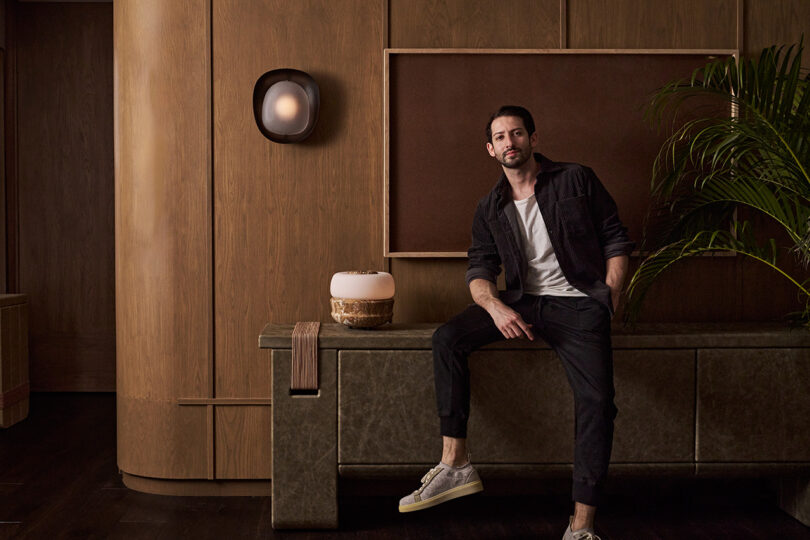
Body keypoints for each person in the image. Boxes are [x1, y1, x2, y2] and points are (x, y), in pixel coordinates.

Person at [397, 105, 634, 540]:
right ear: (491, 149)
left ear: (533, 139)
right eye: (501, 137)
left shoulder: (576, 179)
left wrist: (609, 295)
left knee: (598, 403)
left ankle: (581, 525)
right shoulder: (490, 207)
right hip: (523, 302)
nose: (511, 142)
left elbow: (615, 236)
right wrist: (494, 306)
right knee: (447, 339)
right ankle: (455, 464)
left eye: (517, 133)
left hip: (579, 306)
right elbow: (479, 268)